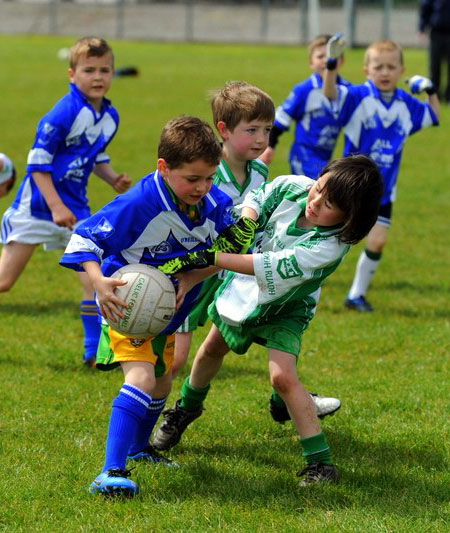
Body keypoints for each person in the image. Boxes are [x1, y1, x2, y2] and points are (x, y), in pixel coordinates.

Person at [153, 154, 383, 485]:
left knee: (283, 378)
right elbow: (260, 196)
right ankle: (185, 410)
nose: (315, 202)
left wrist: (211, 258)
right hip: (246, 292)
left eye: (329, 203)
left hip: (288, 307)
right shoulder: (295, 188)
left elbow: (268, 265)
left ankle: (321, 463)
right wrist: (248, 218)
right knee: (211, 350)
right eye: (318, 188)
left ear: (350, 218)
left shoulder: (328, 247)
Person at [60, 115, 240, 497]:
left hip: (168, 312)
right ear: (164, 167)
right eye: (192, 179)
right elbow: (84, 238)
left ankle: (140, 449)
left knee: (162, 380)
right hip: (126, 305)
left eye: (209, 177)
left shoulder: (213, 204)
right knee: (141, 378)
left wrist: (193, 276)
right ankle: (110, 471)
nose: (202, 187)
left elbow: (227, 250)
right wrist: (98, 282)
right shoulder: (139, 204)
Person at [174, 81, 341, 422]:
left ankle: (290, 398)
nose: (262, 138)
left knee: (281, 326)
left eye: (267, 129)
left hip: (242, 273)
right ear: (223, 130)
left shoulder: (260, 171)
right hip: (201, 269)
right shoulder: (204, 171)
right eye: (252, 130)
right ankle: (148, 403)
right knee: (177, 360)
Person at [0, 37, 131, 365]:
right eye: (89, 70)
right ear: (72, 74)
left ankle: (95, 353)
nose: (97, 77)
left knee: (94, 280)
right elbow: (37, 165)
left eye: (105, 70)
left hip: (77, 211)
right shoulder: (62, 113)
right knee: (4, 282)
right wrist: (56, 206)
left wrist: (112, 178)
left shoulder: (109, 116)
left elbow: (94, 156)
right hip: (37, 209)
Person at [323, 36, 440, 312]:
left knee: (378, 240)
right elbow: (330, 94)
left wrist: (431, 91)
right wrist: (331, 64)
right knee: (327, 239)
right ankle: (296, 281)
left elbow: (433, 116)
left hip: (383, 189)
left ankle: (355, 296)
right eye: (378, 66)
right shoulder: (356, 97)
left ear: (401, 71)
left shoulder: (406, 104)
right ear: (367, 70)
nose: (384, 72)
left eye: (391, 67)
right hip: (348, 184)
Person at [259, 34, 350, 180]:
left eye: (331, 55)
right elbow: (280, 119)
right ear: (311, 63)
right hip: (303, 156)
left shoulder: (347, 90)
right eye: (320, 56)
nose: (326, 60)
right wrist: (270, 145)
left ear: (341, 60)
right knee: (316, 191)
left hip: (325, 158)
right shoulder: (304, 90)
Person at [419, 0, 450, 104]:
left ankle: (448, 96)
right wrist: (422, 27)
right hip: (436, 33)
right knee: (434, 66)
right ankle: (434, 95)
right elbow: (425, 9)